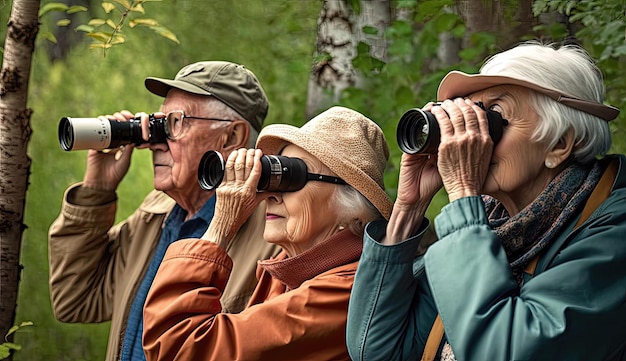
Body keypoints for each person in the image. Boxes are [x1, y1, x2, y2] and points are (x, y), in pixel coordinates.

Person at [347, 41, 626, 361]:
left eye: (491, 118)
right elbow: (376, 349)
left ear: (559, 145)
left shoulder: (613, 232)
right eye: (467, 117)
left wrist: (463, 193)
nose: (471, 137)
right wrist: (408, 209)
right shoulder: (494, 227)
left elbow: (501, 352)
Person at [48, 61, 280, 361]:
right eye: (158, 122)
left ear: (232, 137)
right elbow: (75, 300)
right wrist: (97, 190)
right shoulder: (155, 217)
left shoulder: (275, 233)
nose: (154, 142)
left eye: (173, 123)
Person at [141, 106, 393, 360]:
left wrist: (220, 227)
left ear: (350, 207)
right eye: (273, 175)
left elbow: (178, 348)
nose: (270, 194)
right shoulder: (287, 271)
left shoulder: (347, 293)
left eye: (291, 177)